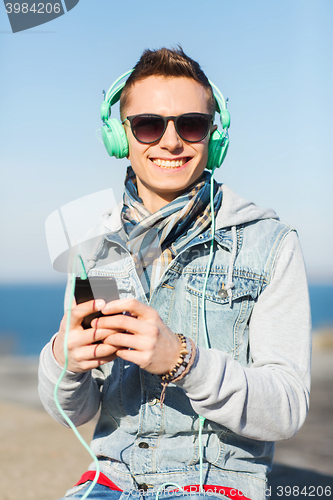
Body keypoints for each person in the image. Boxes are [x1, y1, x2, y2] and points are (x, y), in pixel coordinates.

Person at [38, 47, 311, 500]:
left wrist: (184, 362)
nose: (170, 141)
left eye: (191, 124)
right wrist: (65, 360)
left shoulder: (271, 243)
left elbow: (287, 408)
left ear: (213, 136)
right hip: (110, 482)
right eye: (149, 124)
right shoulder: (96, 249)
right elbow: (79, 408)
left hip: (217, 485)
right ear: (120, 136)